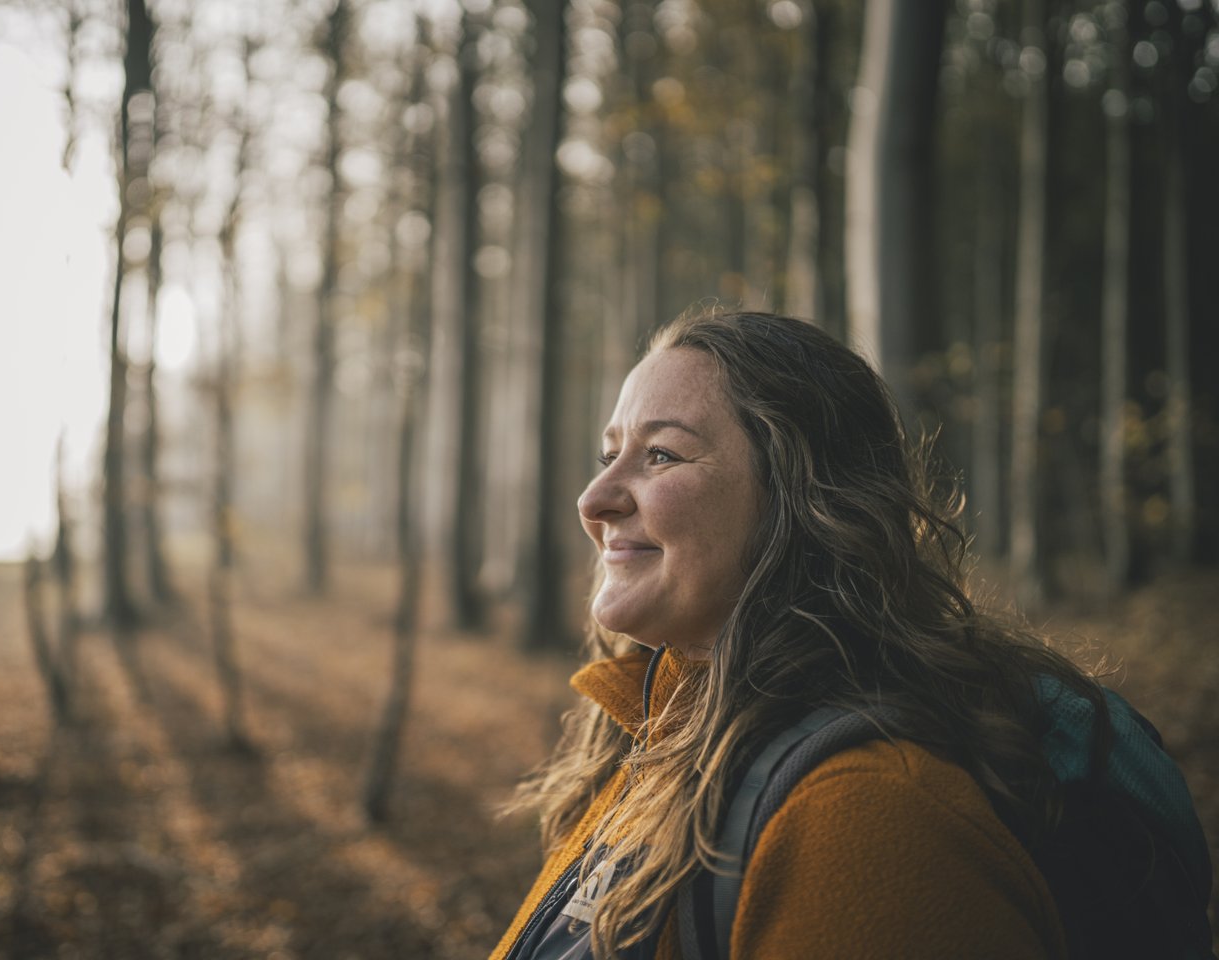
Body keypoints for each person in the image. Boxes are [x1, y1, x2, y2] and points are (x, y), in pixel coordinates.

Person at [489, 309, 1153, 960]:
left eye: (661, 454)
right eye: (610, 455)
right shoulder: (660, 738)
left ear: (801, 498)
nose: (594, 498)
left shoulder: (871, 818)